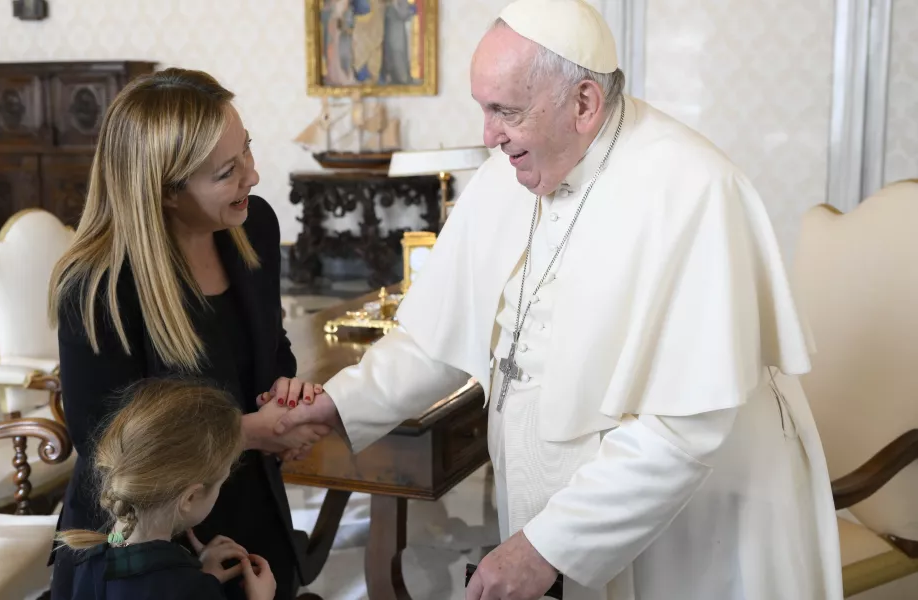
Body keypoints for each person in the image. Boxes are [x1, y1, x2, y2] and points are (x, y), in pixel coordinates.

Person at [264, 1, 844, 598]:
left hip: (698, 514)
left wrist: (551, 545)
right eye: (482, 108)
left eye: (504, 111)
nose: (487, 136)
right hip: (556, 491)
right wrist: (338, 403)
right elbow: (436, 336)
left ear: (585, 104)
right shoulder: (509, 172)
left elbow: (684, 426)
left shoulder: (694, 190)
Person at [48, 67, 328, 600]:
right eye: (227, 171)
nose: (254, 175)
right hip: (142, 553)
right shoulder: (97, 285)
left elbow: (271, 348)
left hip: (250, 509)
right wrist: (249, 432)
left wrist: (285, 392)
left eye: (247, 149)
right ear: (166, 192)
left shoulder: (254, 226)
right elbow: (107, 444)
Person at [59, 379, 276, 600]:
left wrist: (204, 576)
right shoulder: (191, 590)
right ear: (190, 497)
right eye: (222, 481)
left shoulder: (91, 560)